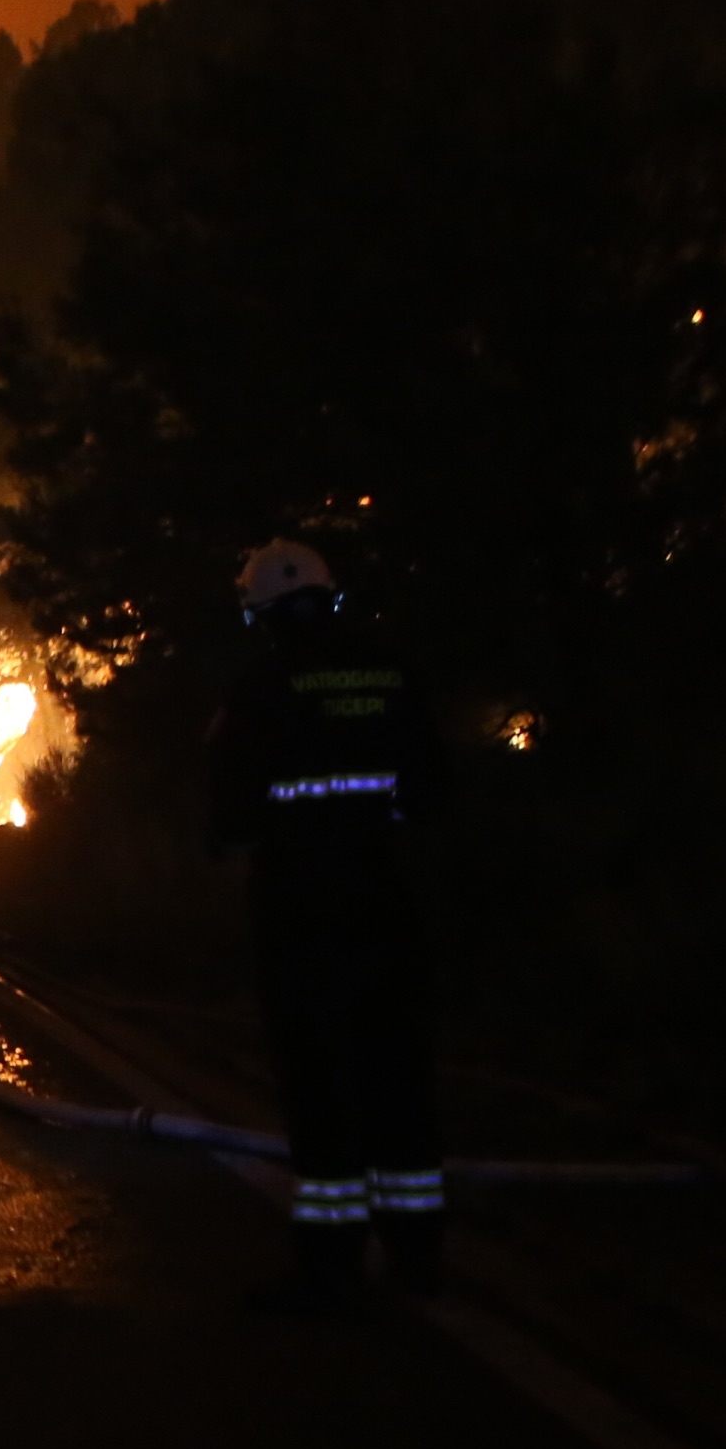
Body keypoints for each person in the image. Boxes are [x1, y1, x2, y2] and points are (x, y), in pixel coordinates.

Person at [206, 539, 448, 1310]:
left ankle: (330, 1267)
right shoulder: (393, 670)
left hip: (300, 907)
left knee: (319, 1082)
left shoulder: (261, 685)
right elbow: (433, 789)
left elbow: (230, 811)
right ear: (331, 597)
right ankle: (418, 1258)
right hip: (387, 897)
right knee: (398, 1075)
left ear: (262, 615)